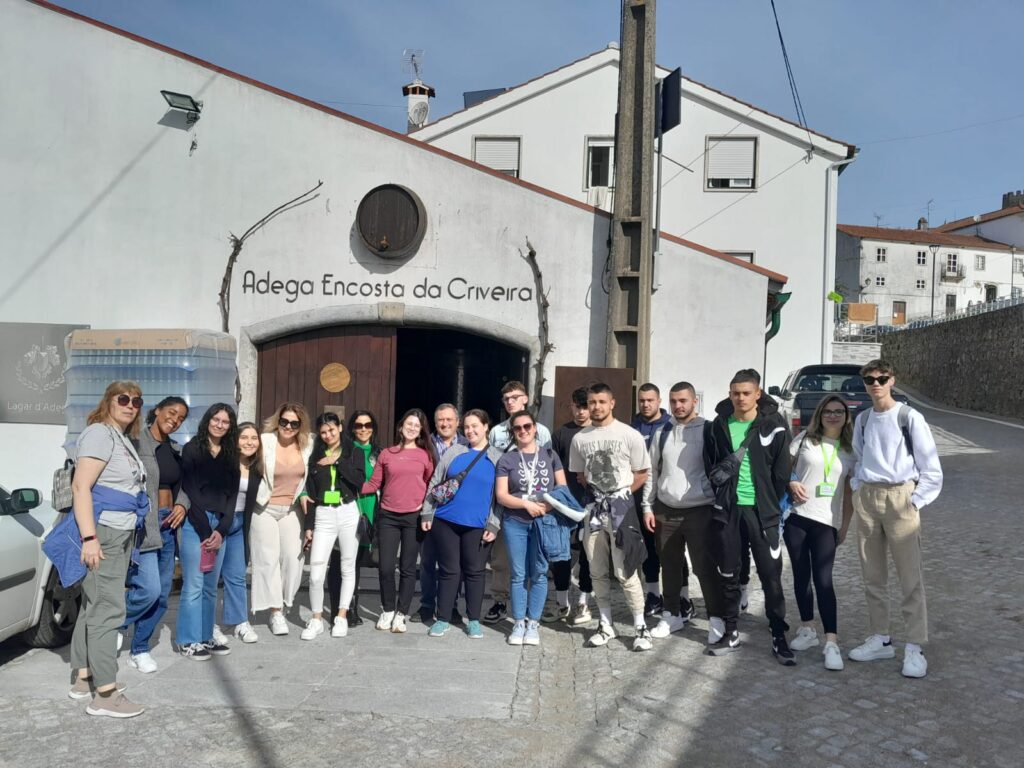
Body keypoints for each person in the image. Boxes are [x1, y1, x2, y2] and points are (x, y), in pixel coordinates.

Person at [848, 360, 942, 678]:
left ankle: (914, 646)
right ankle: (881, 638)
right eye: (869, 379)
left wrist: (914, 501)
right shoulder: (863, 419)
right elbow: (858, 459)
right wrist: (857, 488)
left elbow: (931, 467)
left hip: (901, 497)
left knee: (910, 578)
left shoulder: (908, 417)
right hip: (868, 498)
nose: (875, 384)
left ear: (892, 381)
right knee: (872, 575)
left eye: (881, 378)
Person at [68, 381, 148, 717]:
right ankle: (105, 694)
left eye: (136, 401)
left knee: (92, 604)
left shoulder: (119, 436)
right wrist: (90, 538)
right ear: (108, 401)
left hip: (118, 530)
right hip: (105, 531)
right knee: (107, 608)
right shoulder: (100, 434)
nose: (130, 405)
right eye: (123, 399)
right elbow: (80, 487)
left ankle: (84, 677)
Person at [705, 369, 794, 664]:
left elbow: (782, 472)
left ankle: (778, 634)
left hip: (762, 513)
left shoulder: (774, 426)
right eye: (735, 393)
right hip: (729, 512)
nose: (740, 398)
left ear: (758, 394)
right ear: (729, 394)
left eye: (746, 393)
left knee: (770, 575)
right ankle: (731, 631)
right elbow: (711, 464)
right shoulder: (718, 425)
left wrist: (768, 501)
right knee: (729, 574)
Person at [569, 383, 654, 652]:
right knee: (596, 570)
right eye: (592, 402)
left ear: (612, 403)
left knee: (625, 570)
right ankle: (606, 624)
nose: (596, 407)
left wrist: (621, 495)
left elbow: (642, 472)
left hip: (621, 510)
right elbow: (580, 475)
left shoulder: (629, 435)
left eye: (601, 402)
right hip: (594, 510)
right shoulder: (580, 439)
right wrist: (599, 495)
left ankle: (640, 626)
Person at [642, 382, 723, 641]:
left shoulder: (709, 429)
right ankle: (671, 615)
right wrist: (647, 506)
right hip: (666, 509)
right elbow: (652, 471)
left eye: (683, 400)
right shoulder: (662, 432)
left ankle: (716, 619)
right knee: (669, 565)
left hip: (700, 509)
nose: (678, 406)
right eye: (674, 401)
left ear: (694, 401)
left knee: (704, 567)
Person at [784, 396, 855, 671]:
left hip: (826, 522)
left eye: (839, 412)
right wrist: (791, 482)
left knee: (824, 580)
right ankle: (807, 628)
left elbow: (849, 492)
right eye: (828, 411)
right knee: (801, 575)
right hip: (797, 518)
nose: (833, 416)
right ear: (820, 414)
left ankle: (831, 641)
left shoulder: (850, 450)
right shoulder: (804, 439)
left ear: (846, 417)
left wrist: (845, 525)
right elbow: (784, 468)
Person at [421, 409, 502, 639]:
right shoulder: (455, 451)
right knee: (449, 571)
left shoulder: (497, 457)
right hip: (446, 520)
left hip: (477, 525)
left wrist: (494, 524)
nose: (470, 430)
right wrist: (427, 513)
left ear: (486, 427)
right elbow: (436, 481)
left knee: (475, 572)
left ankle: (473, 620)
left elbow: (499, 498)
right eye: (466, 427)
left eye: (475, 426)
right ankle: (443, 618)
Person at [123, 396, 189, 675]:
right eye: (171, 413)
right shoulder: (136, 443)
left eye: (181, 418)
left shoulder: (176, 450)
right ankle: (112, 623)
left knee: (162, 595)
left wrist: (182, 504)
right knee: (148, 590)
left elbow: (185, 485)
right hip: (145, 526)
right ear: (158, 411)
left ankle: (139, 649)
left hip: (169, 525)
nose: (175, 420)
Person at [494, 410, 569, 646]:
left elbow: (562, 488)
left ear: (535, 428)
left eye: (527, 426)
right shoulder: (507, 460)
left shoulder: (550, 455)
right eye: (517, 428)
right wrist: (526, 504)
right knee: (518, 574)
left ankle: (533, 622)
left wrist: (548, 506)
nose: (523, 431)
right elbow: (502, 495)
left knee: (539, 572)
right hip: (515, 521)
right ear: (512, 432)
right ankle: (518, 622)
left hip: (543, 522)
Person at [361, 408, 436, 633]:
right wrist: (348, 486)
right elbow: (374, 484)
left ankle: (401, 613)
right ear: (401, 427)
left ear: (421, 431)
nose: (412, 428)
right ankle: (387, 609)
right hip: (388, 516)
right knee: (385, 567)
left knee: (407, 568)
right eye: (408, 424)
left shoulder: (425, 456)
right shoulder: (387, 454)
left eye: (417, 425)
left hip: (413, 516)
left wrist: (426, 511)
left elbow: (429, 483)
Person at [484, 380, 552, 625]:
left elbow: (548, 465)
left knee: (536, 559)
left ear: (525, 399)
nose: (510, 402)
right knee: (501, 558)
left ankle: (533, 606)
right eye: (506, 399)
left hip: (536, 504)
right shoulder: (497, 432)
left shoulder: (541, 431)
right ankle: (500, 600)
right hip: (506, 500)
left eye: (514, 397)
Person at [177, 404, 241, 660]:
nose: (220, 425)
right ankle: (187, 640)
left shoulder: (231, 454)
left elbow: (232, 495)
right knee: (194, 584)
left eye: (225, 422)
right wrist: (206, 530)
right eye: (216, 419)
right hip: (197, 523)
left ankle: (205, 636)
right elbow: (190, 490)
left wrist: (222, 530)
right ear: (208, 420)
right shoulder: (192, 449)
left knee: (211, 587)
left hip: (220, 525)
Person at [301, 412, 367, 640]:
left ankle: (341, 616)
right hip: (323, 513)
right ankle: (316, 618)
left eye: (331, 429)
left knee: (347, 566)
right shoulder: (315, 455)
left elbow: (359, 481)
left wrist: (336, 462)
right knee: (316, 571)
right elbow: (310, 493)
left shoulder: (354, 452)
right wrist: (308, 526)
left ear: (340, 427)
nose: (328, 435)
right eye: (323, 432)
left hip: (347, 510)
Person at [252, 403, 314, 636]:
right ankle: (275, 612)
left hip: (292, 508)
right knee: (268, 559)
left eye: (294, 423)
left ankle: (286, 601)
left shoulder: (308, 444)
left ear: (301, 426)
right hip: (264, 507)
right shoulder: (264, 441)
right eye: (284, 421)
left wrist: (305, 493)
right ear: (277, 421)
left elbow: (311, 476)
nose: (288, 427)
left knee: (293, 558)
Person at [418, 403, 470, 624]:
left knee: (454, 564)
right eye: (441, 420)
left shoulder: (468, 444)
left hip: (457, 512)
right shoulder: (424, 443)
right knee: (428, 561)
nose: (445, 423)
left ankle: (451, 606)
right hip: (431, 507)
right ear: (435, 422)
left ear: (457, 422)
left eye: (449, 419)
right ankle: (427, 605)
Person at [212, 422, 263, 646]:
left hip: (240, 523)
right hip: (219, 522)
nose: (249, 442)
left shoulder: (257, 468)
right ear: (235, 440)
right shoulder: (224, 463)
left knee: (236, 575)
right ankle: (209, 624)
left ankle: (240, 621)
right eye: (244, 437)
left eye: (253, 438)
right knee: (211, 577)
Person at [546, 387, 594, 625]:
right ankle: (562, 603)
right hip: (564, 504)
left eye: (586, 407)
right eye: (578, 406)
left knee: (588, 556)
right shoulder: (560, 434)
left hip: (593, 503)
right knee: (561, 555)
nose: (581, 412)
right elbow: (550, 469)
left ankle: (584, 603)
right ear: (571, 406)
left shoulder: (598, 432)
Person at [332, 409, 381, 628]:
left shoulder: (380, 452)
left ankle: (354, 605)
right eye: (359, 425)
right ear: (351, 428)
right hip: (349, 509)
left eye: (368, 425)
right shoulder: (345, 451)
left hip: (370, 511)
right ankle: (345, 609)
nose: (363, 429)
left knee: (358, 562)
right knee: (343, 561)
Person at [631, 383, 672, 617]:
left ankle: (681, 597)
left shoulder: (670, 425)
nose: (645, 404)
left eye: (650, 400)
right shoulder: (632, 427)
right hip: (639, 497)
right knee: (648, 549)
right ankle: (653, 595)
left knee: (671, 548)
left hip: (665, 496)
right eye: (642, 400)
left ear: (659, 401)